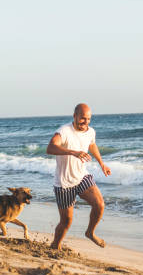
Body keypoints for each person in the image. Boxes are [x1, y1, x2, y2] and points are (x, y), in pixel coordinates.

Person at [46, 103, 111, 250]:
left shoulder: (90, 131)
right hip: (64, 183)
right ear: (74, 116)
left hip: (82, 177)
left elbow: (92, 144)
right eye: (82, 119)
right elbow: (50, 148)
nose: (85, 122)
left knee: (99, 204)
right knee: (66, 221)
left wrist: (102, 164)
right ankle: (55, 246)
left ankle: (90, 232)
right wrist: (73, 152)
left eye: (88, 119)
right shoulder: (64, 131)